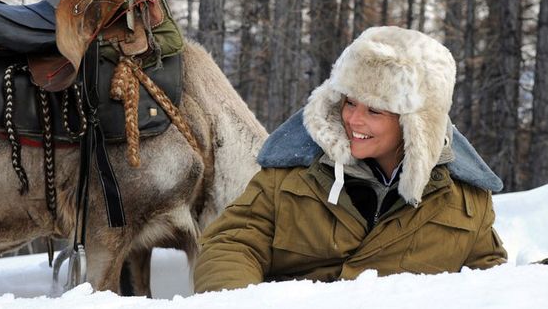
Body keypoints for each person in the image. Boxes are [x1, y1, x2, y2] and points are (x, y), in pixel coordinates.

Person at [193, 26, 507, 293]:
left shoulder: (466, 204)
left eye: (373, 110)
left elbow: (490, 287)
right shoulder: (292, 173)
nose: (353, 120)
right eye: (349, 102)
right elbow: (231, 245)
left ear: (416, 125)